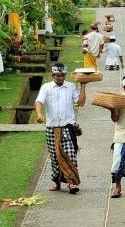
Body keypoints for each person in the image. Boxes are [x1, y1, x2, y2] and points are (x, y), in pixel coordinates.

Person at [35, 63, 87, 194]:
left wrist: (83, 86)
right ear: (53, 75)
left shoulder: (70, 87)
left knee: (70, 155)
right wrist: (40, 114)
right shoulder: (46, 88)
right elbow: (39, 101)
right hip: (52, 128)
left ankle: (72, 183)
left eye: (63, 75)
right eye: (58, 75)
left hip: (68, 127)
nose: (61, 78)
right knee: (55, 157)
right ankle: (57, 183)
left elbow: (80, 103)